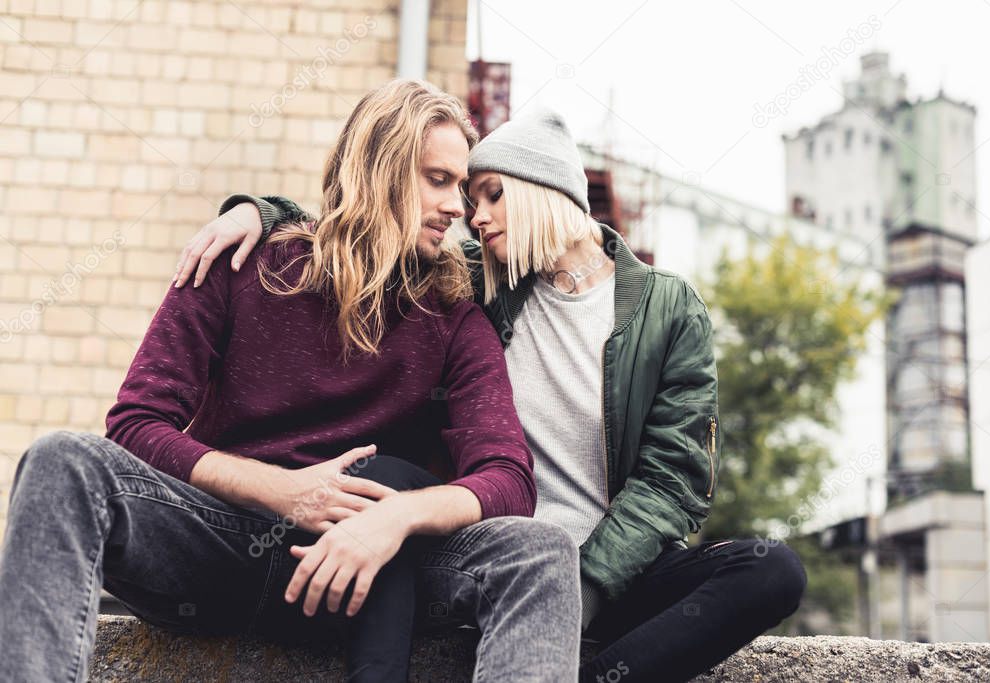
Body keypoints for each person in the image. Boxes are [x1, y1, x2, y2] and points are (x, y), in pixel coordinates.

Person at [178, 108, 808, 682]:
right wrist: (264, 212)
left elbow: (674, 483)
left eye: (492, 194)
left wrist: (580, 591)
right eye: (467, 196)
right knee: (426, 504)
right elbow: (371, 225)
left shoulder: (668, 311)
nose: (473, 215)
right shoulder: (471, 283)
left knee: (771, 569)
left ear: (548, 193)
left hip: (609, 575)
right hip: (479, 555)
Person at [0, 81, 584, 683]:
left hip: (366, 577)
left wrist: (396, 519)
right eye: (438, 181)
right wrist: (280, 491)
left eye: (460, 188)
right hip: (219, 543)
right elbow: (134, 425)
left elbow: (508, 478)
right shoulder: (240, 261)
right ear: (379, 171)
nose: (458, 207)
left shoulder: (455, 318)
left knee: (539, 552)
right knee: (61, 461)